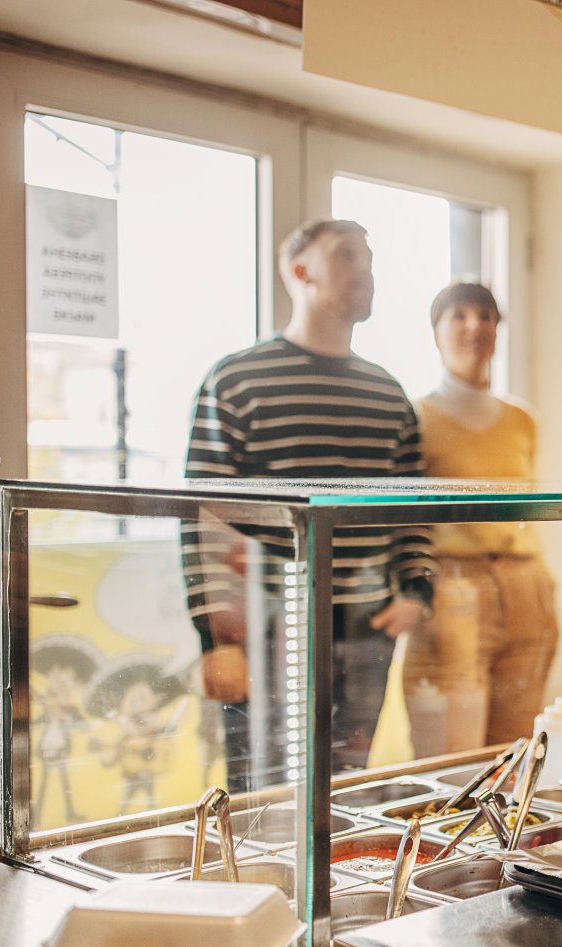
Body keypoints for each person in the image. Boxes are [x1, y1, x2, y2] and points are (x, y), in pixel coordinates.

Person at [183, 218, 435, 789]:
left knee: (346, 789)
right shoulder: (236, 380)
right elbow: (203, 516)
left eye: (369, 255)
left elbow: (413, 505)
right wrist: (216, 639)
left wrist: (417, 589)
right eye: (345, 254)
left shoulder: (388, 393)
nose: (364, 267)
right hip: (267, 631)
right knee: (261, 794)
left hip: (368, 628)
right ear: (299, 272)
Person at [400, 280, 558, 751]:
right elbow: (406, 516)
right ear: (436, 332)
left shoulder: (522, 419)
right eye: (460, 315)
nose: (475, 326)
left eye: (486, 316)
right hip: (452, 587)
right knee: (451, 757)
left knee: (513, 752)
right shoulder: (416, 416)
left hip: (524, 584)